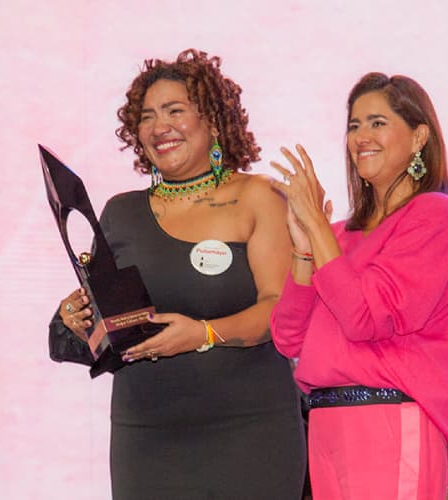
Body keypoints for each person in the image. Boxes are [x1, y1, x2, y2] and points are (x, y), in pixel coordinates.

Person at [48, 49, 306, 499]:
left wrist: (203, 333)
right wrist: (78, 318)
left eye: (174, 110)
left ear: (213, 121)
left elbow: (280, 311)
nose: (158, 126)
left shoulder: (257, 197)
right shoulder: (120, 213)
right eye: (147, 116)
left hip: (249, 433)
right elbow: (113, 330)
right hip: (146, 438)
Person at [269, 72, 448, 498]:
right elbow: (288, 338)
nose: (361, 136)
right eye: (354, 125)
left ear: (419, 137)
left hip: (389, 418)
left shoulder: (435, 215)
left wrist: (317, 227)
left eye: (378, 122)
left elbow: (364, 317)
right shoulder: (337, 236)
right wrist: (304, 248)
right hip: (325, 422)